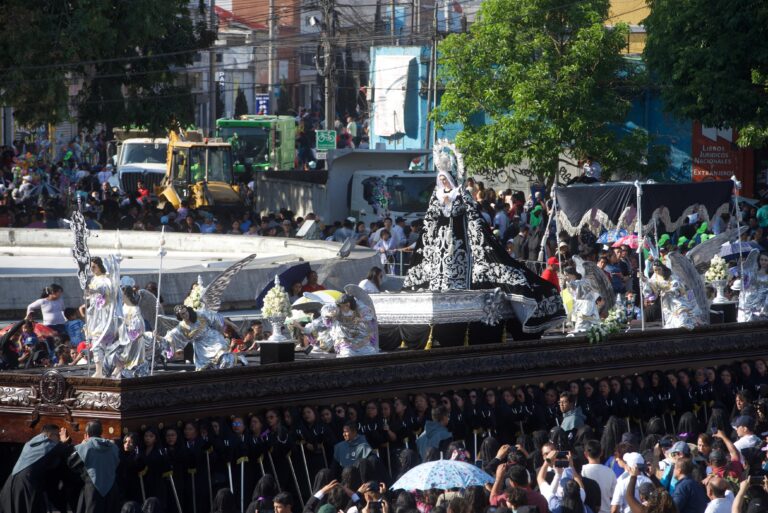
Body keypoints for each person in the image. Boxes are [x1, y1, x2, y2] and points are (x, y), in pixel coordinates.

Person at [403, 170, 565, 333]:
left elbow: (471, 212)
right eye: (441, 179)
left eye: (446, 179)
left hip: (460, 239)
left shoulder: (460, 192)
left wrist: (453, 202)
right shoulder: (436, 194)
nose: (444, 182)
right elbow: (430, 218)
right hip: (440, 242)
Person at [0, 424, 71, 513]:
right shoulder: (46, 444)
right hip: (26, 483)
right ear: (50, 435)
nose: (59, 438)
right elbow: (58, 450)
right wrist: (64, 441)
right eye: (57, 435)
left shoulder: (32, 443)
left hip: (14, 481)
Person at [68, 420, 120, 513]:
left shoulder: (85, 447)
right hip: (112, 487)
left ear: (86, 434)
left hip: (92, 488)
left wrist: (82, 445)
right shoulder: (113, 446)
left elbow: (71, 463)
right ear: (101, 432)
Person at [163, 305, 237, 371]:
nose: (185, 314)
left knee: (223, 355)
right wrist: (156, 336)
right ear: (179, 316)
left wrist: (232, 324)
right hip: (201, 348)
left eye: (186, 312)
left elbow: (217, 317)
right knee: (206, 368)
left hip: (213, 338)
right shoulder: (181, 327)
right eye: (182, 314)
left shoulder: (200, 314)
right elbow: (170, 337)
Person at [82, 257, 118, 378]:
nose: (92, 269)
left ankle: (115, 366)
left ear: (100, 266)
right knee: (96, 343)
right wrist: (87, 291)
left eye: (94, 267)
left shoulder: (106, 279)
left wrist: (94, 291)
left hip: (104, 315)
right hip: (95, 314)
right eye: (90, 267)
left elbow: (105, 291)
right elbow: (89, 295)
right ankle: (99, 370)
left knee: (104, 342)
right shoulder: (94, 279)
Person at [642, 261, 702, 330]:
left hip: (677, 297)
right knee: (669, 316)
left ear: (662, 268)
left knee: (681, 310)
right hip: (666, 301)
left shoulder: (670, 275)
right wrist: (645, 282)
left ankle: (684, 323)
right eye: (655, 270)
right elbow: (650, 291)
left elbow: (677, 284)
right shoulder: (654, 278)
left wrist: (670, 290)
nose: (657, 271)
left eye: (659, 269)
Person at [582, 440, 617, 513]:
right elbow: (614, 496)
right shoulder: (610, 472)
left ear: (585, 454)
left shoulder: (581, 471)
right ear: (601, 453)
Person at [564, 267, 601, 333]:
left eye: (567, 275)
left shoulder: (581, 282)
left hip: (586, 308)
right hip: (579, 308)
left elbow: (575, 286)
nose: (566, 277)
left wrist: (569, 282)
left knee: (582, 327)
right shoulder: (573, 283)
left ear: (572, 274)